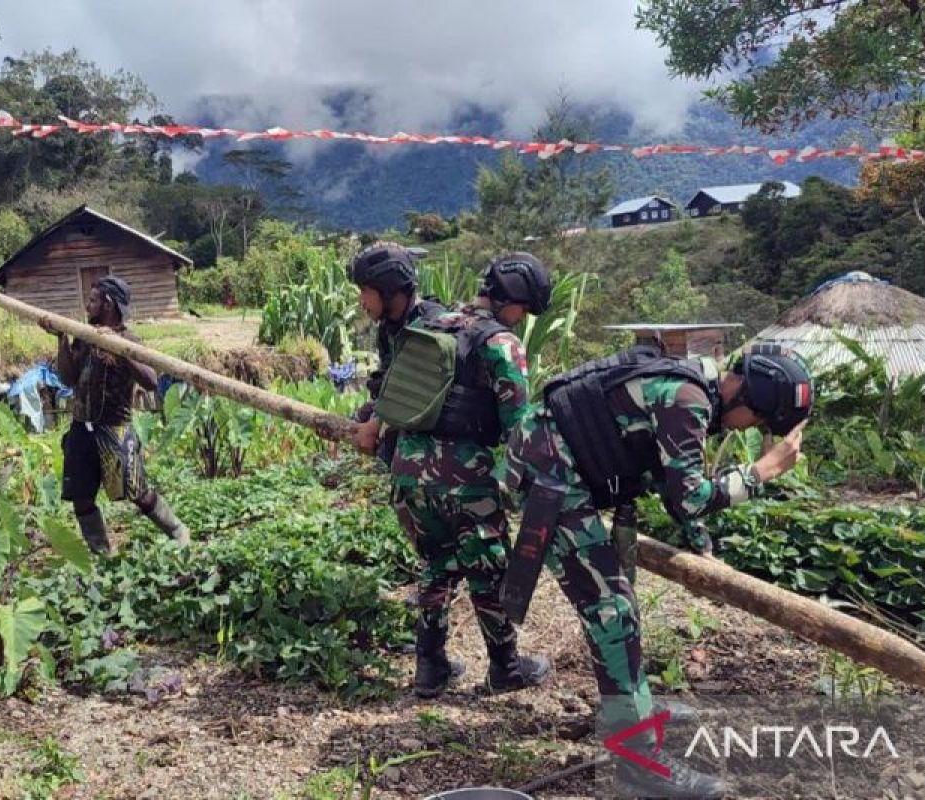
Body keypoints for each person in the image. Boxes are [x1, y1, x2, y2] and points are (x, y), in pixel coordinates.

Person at [502, 344, 814, 799]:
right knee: (612, 610)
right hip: (548, 475)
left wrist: (702, 546)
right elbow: (689, 496)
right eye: (762, 421)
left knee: (618, 601)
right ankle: (638, 766)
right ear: (749, 398)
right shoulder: (688, 399)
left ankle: (632, 705)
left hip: (559, 462)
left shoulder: (693, 389)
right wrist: (759, 473)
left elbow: (676, 482)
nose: (755, 429)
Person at [370, 252, 554, 698]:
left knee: (435, 565)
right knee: (487, 570)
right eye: (525, 309)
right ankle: (505, 667)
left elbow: (390, 390)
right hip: (465, 478)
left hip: (409, 471)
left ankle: (429, 669)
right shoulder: (501, 344)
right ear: (513, 300)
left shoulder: (433, 323)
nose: (523, 318)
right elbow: (517, 426)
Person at [38, 276, 190, 553]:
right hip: (81, 427)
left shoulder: (130, 340)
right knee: (81, 497)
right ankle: (103, 555)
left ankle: (178, 529)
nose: (88, 305)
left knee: (137, 493)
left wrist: (119, 350)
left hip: (114, 428)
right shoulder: (84, 337)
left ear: (108, 303)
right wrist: (62, 339)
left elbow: (151, 381)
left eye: (93, 300)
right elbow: (69, 379)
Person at [349, 241, 443, 464]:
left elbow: (414, 397)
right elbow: (388, 390)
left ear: (388, 288)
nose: (362, 302)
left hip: (436, 464)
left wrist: (375, 425)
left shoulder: (430, 328)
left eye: (365, 291)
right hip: (405, 461)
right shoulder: (388, 329)